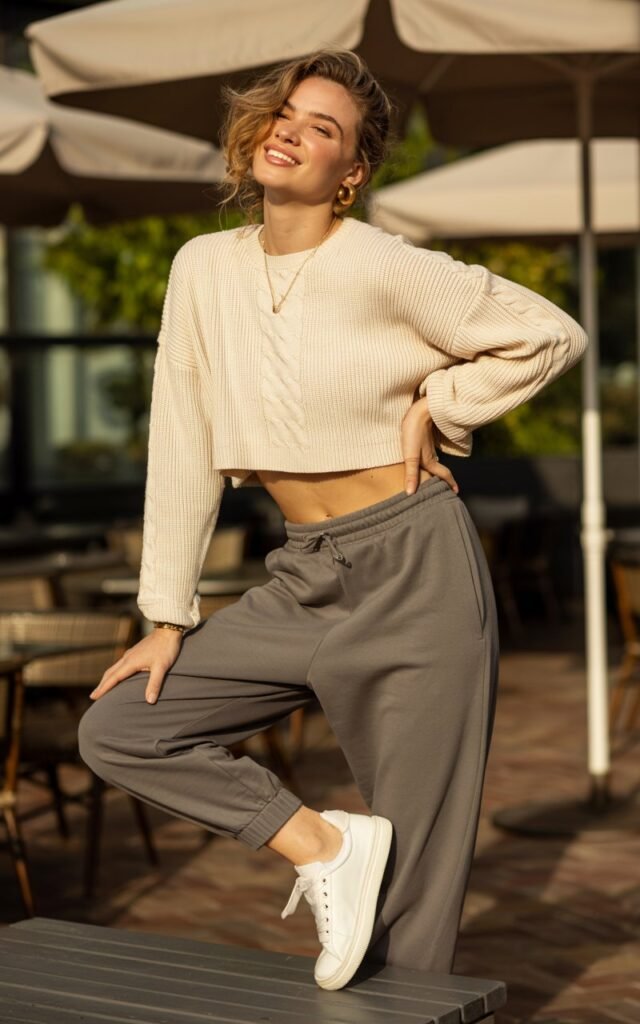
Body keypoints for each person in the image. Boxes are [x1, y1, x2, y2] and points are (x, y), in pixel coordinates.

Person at [78, 48, 588, 991]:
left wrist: (441, 401)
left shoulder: (381, 262)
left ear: (350, 173)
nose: (292, 132)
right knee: (120, 729)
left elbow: (551, 331)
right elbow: (182, 436)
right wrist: (166, 617)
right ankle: (324, 847)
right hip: (305, 571)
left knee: (422, 879)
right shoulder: (203, 268)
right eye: (287, 115)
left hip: (415, 566)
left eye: (324, 129)